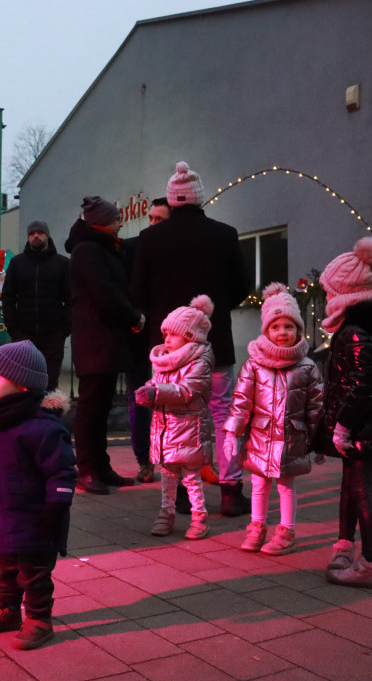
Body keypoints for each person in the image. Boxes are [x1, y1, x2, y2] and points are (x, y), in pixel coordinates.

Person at [131, 162, 252, 516]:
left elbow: (137, 289)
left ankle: (182, 493)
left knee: (174, 417)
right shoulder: (224, 234)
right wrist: (212, 313)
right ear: (199, 198)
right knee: (223, 414)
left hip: (170, 349)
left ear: (172, 200)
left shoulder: (150, 239)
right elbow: (242, 285)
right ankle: (230, 490)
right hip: (216, 342)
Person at [0, 340, 76, 651]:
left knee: (34, 574)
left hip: (36, 519)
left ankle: (39, 620)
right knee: (4, 570)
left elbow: (62, 472)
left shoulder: (42, 428)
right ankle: (7, 612)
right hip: (2, 515)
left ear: (22, 386)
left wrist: (56, 506)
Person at [316, 237, 372, 589]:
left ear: (345, 291)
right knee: (351, 486)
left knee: (361, 490)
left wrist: (342, 425)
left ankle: (370, 562)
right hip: (367, 424)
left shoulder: (355, 333)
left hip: (363, 426)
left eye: (329, 291)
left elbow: (360, 387)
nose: (326, 298)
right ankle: (344, 544)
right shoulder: (361, 326)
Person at [225, 283, 323, 555]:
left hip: (292, 438)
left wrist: (320, 441)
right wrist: (233, 432)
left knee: (287, 485)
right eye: (276, 327)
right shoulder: (254, 364)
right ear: (266, 330)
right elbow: (242, 401)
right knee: (258, 484)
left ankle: (286, 531)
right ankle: (257, 527)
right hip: (260, 436)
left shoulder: (307, 367)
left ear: (298, 331)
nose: (282, 333)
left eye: (289, 327)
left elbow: (316, 407)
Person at [65, 196, 144, 494]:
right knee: (91, 407)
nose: (121, 222)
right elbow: (105, 292)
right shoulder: (88, 251)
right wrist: (133, 316)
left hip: (105, 339)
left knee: (102, 406)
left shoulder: (102, 248)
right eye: (116, 218)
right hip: (95, 340)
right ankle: (86, 468)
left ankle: (100, 465)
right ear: (102, 221)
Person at [135, 295, 215, 540]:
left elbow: (186, 390)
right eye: (165, 335)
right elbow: (157, 384)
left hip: (189, 428)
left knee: (191, 478)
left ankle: (199, 517)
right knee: (168, 475)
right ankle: (166, 512)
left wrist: (155, 392)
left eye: (173, 334)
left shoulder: (199, 363)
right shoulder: (164, 361)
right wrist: (149, 393)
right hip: (166, 429)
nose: (167, 340)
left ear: (190, 337)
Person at [123, 198, 171, 484]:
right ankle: (145, 459)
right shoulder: (133, 247)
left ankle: (169, 458)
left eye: (159, 220)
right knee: (138, 397)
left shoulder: (177, 252)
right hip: (139, 333)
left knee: (172, 398)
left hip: (170, 334)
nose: (152, 224)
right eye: (150, 218)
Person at [1, 220, 71, 392]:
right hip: (24, 336)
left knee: (50, 386)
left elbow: (71, 299)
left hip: (52, 336)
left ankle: (49, 418)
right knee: (24, 384)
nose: (36, 236)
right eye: (32, 233)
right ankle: (27, 418)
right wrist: (14, 330)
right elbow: (8, 297)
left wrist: (63, 331)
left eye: (40, 232)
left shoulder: (62, 264)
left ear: (47, 235)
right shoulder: (18, 263)